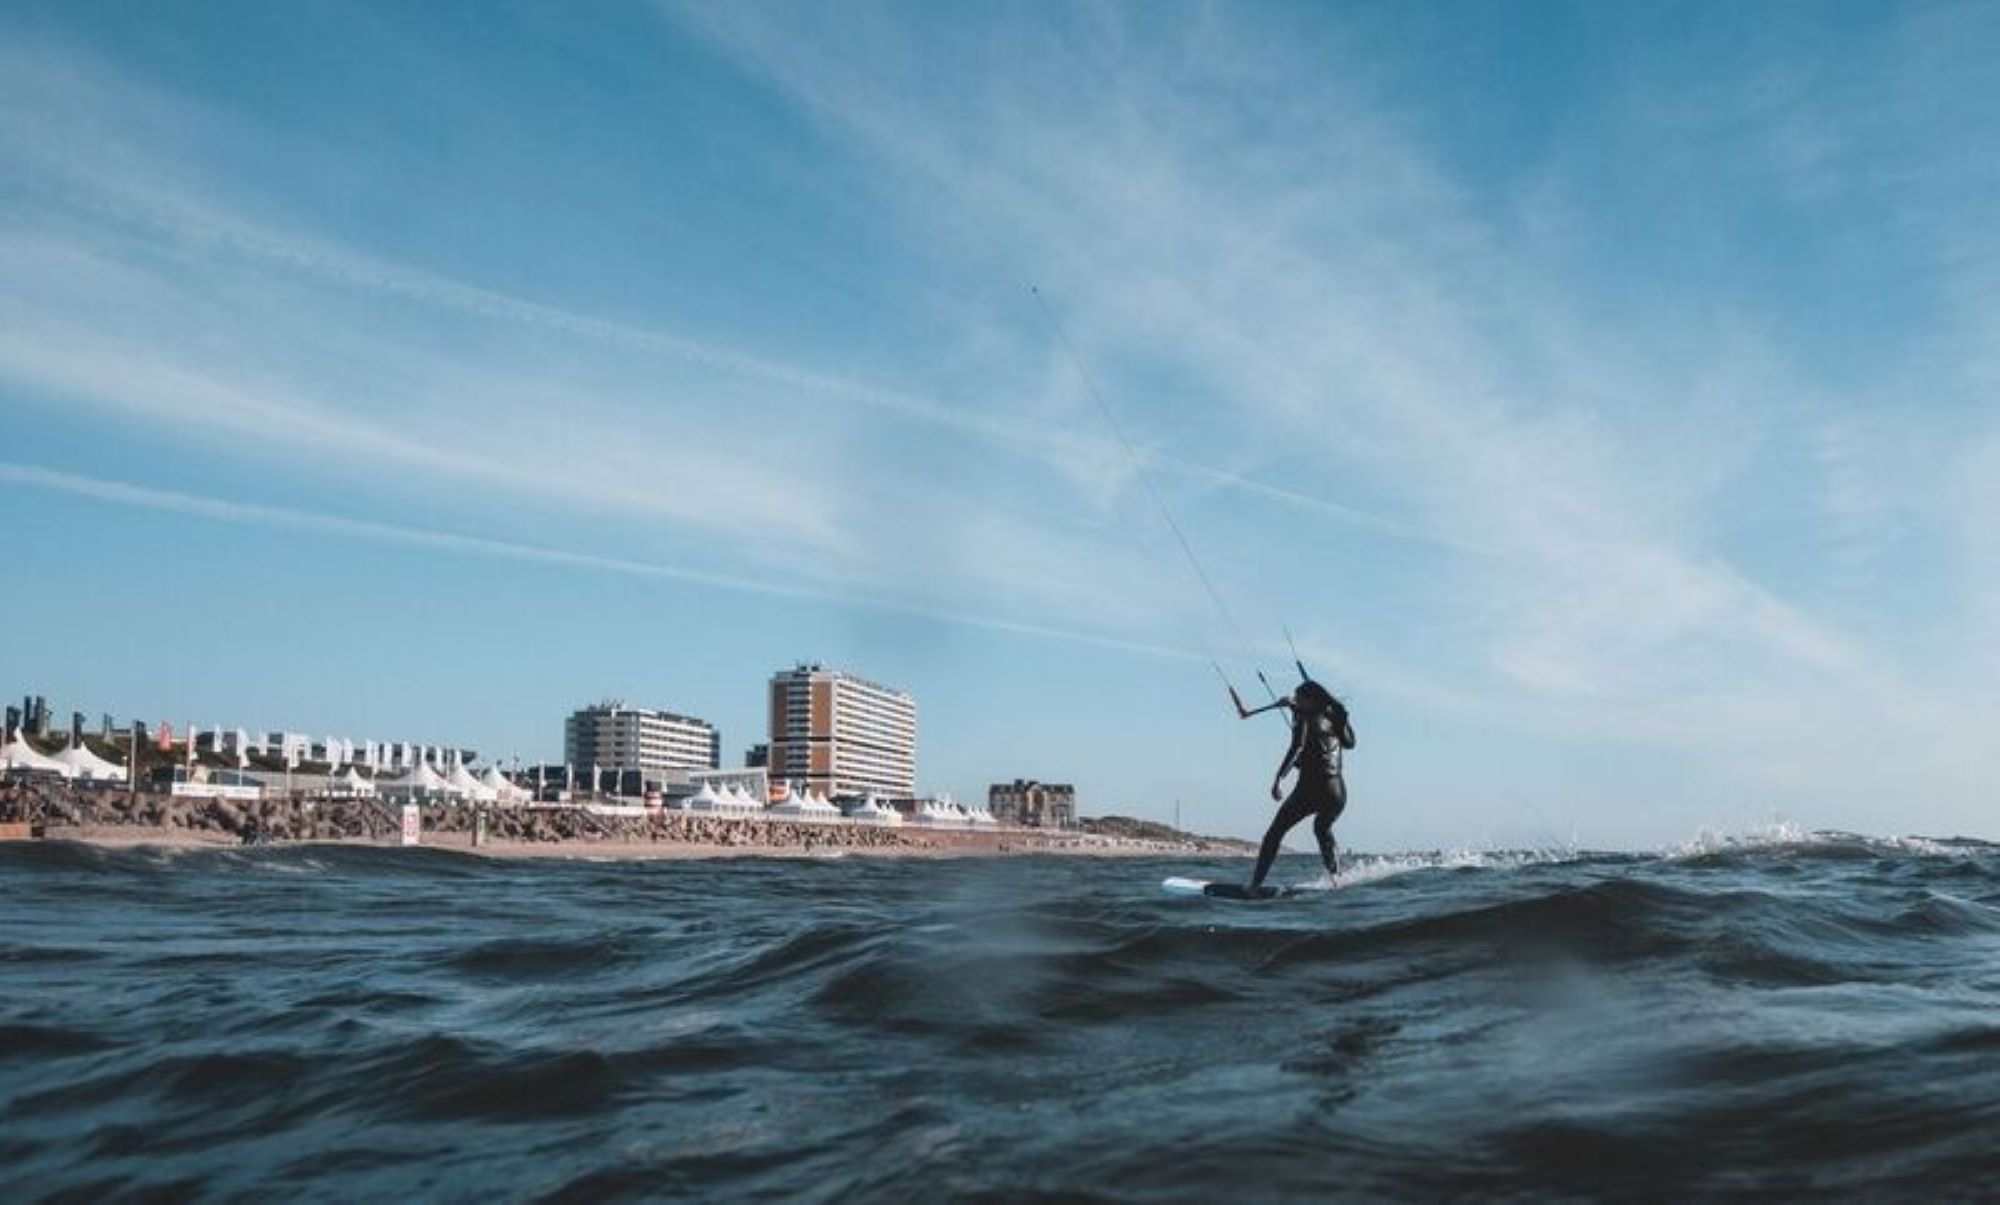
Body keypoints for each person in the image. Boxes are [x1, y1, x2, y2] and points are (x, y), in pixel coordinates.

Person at [1247, 680, 1355, 895]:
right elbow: (1350, 743)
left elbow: (1297, 747)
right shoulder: (1333, 718)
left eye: (1299, 698)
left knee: (1274, 834)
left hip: (1311, 789)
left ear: (1310, 700)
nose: (1296, 700)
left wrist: (1279, 778)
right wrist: (1295, 706)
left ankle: (1253, 886)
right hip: (1337, 791)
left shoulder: (1304, 718)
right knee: (1322, 829)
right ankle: (1336, 880)